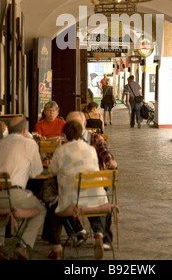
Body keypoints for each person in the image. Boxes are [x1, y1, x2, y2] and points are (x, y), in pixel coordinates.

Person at [0, 116, 46, 260]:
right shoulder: (30, 144)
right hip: (13, 197)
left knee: (6, 206)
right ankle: (23, 245)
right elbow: (36, 172)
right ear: (25, 130)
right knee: (40, 210)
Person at [46, 120, 108, 260]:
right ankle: (98, 233)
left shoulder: (61, 150)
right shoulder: (90, 149)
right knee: (92, 197)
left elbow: (52, 170)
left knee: (52, 207)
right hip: (96, 199)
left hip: (71, 202)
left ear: (64, 135)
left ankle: (57, 247)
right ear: (81, 133)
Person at [67, 111, 117, 250]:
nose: (73, 127)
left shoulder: (94, 138)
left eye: (76, 123)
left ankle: (103, 237)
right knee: (58, 200)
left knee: (101, 196)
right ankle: (81, 232)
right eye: (70, 124)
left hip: (94, 184)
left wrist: (110, 162)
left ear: (84, 123)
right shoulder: (65, 141)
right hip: (74, 186)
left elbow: (106, 153)